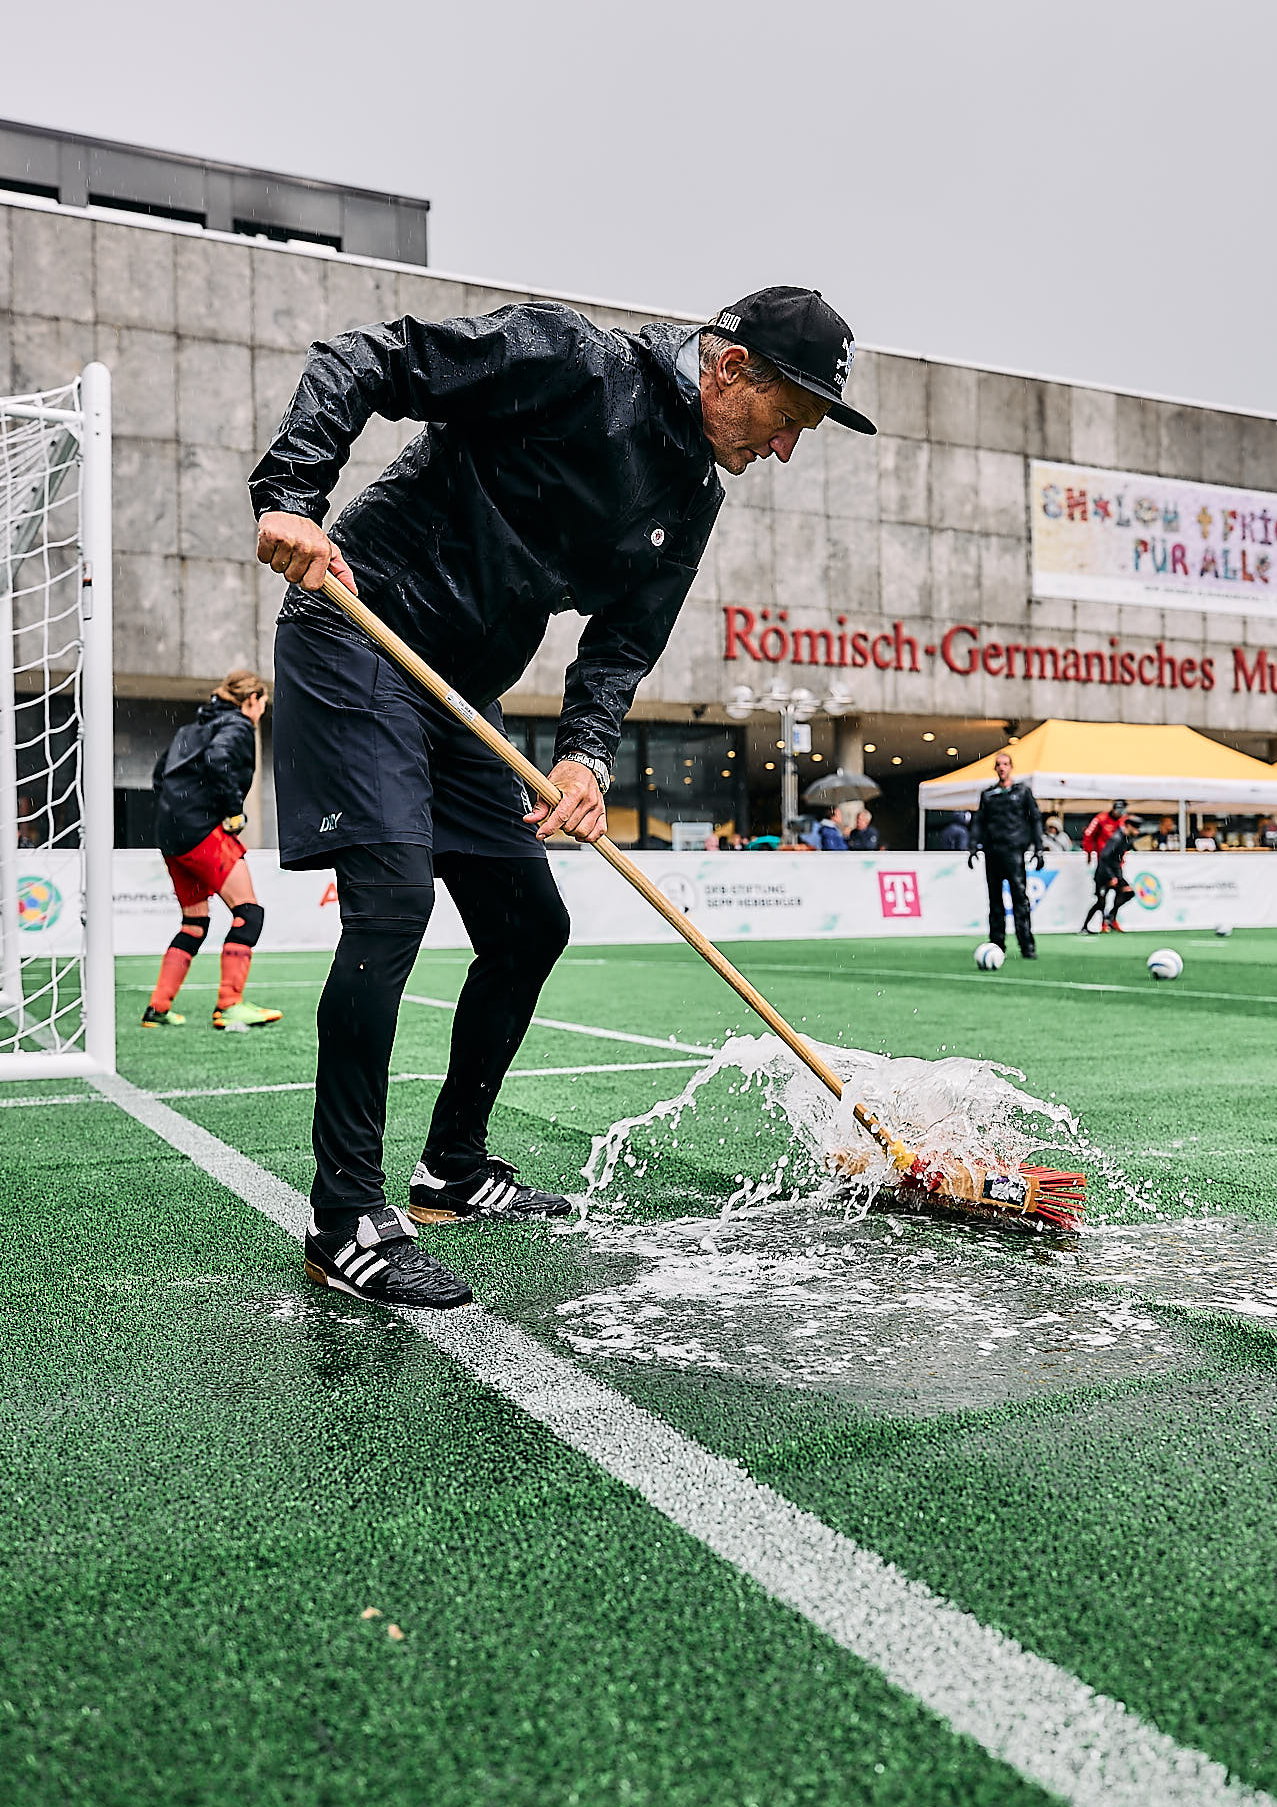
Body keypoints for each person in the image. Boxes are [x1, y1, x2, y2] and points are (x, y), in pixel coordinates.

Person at [251, 285, 875, 1310]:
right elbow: (366, 357)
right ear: (731, 370)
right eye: (788, 420)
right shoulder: (572, 360)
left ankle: (451, 1165)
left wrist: (585, 755)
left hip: (461, 696)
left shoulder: (695, 496)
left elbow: (622, 643)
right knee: (395, 903)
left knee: (528, 921)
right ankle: (345, 1216)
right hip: (359, 631)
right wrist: (291, 495)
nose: (786, 449)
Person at [141, 671, 282, 1032]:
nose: (262, 711)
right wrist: (233, 812)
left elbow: (159, 776)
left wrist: (181, 810)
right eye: (262, 704)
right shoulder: (236, 726)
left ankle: (158, 1007)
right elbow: (220, 759)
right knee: (248, 913)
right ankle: (229, 1005)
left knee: (194, 921)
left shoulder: (189, 730)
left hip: (170, 835)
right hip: (201, 831)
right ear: (251, 699)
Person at [969, 750, 1044, 959]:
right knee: (995, 902)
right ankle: (996, 945)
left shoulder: (1022, 792)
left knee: (1020, 899)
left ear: (1011, 767)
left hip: (1014, 852)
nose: (1002, 768)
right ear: (995, 768)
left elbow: (1035, 819)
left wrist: (1039, 848)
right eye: (999, 764)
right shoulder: (988, 794)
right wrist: (972, 846)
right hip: (993, 852)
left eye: (1005, 764)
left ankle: (1027, 946)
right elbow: (978, 822)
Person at [1081, 812, 1142, 933]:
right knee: (1100, 902)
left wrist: (1118, 877)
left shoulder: (1126, 839)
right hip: (1103, 874)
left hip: (1114, 872)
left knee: (1128, 892)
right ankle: (1085, 927)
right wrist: (1111, 877)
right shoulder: (1117, 838)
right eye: (1135, 828)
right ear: (1128, 826)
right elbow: (1104, 857)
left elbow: (1117, 860)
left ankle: (1111, 917)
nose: (1137, 831)